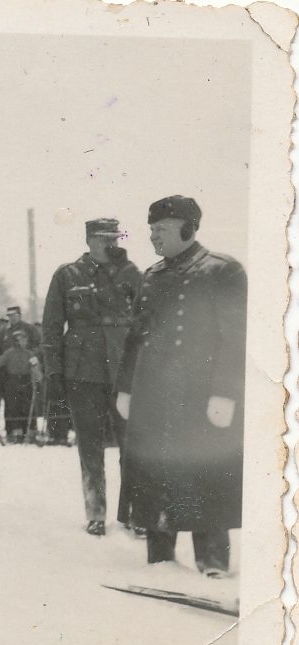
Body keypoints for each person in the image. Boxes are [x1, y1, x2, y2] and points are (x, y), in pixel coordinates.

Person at [115, 196, 245, 577]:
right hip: (154, 396)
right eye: (151, 230)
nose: (153, 236)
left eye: (162, 229)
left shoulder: (222, 270)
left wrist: (225, 392)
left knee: (206, 472)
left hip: (201, 395)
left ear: (188, 228)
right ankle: (161, 561)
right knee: (154, 473)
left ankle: (212, 563)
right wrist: (126, 388)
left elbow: (236, 337)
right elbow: (135, 338)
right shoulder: (151, 276)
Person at [41, 218, 141, 536]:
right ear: (88, 240)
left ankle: (133, 512)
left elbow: (145, 321)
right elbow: (51, 326)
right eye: (102, 238)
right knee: (89, 444)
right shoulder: (68, 275)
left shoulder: (130, 272)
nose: (110, 244)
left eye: (114, 238)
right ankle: (95, 512)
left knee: (132, 443)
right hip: (82, 370)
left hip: (124, 369)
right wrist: (54, 371)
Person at [0, 327, 42, 444]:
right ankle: (15, 432)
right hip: (12, 381)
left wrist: (37, 374)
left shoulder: (29, 353)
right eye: (22, 340)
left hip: (26, 380)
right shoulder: (9, 352)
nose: (24, 342)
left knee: (27, 406)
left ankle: (30, 431)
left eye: (25, 340)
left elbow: (35, 364)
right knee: (13, 407)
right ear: (16, 341)